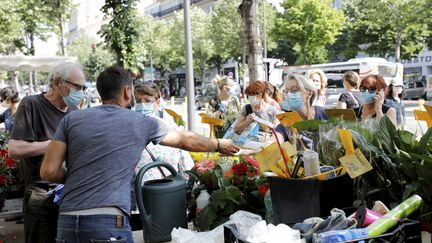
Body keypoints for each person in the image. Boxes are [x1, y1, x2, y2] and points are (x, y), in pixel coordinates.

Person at [40, 65, 238, 242]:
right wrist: (219, 144)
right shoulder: (141, 123)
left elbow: (48, 172)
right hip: (108, 222)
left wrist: (81, 176)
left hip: (66, 221)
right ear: (127, 91)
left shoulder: (71, 119)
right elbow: (184, 140)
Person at [8, 62, 85, 243]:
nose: (81, 92)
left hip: (69, 192)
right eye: (77, 87)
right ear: (58, 84)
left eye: (83, 87)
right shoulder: (32, 105)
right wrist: (54, 144)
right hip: (41, 193)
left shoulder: (74, 110)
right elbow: (14, 149)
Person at [133, 83, 193, 180]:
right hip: (139, 192)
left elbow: (185, 165)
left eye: (148, 101)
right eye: (138, 101)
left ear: (158, 102)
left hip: (167, 191)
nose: (143, 105)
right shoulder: (128, 130)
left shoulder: (171, 128)